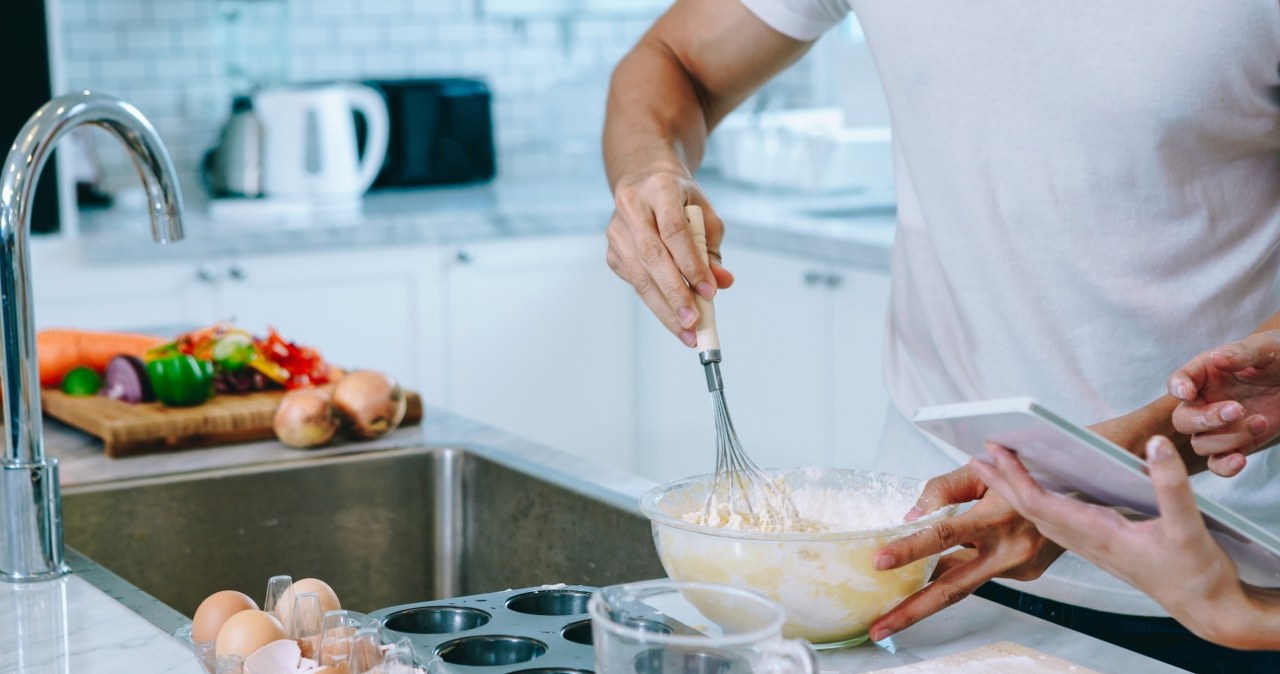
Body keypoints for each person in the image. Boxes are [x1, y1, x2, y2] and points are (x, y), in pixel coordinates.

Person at [601, 1, 1280, 671]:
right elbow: (674, 60)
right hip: (921, 577)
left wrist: (1076, 481)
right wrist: (647, 171)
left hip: (1217, 590)